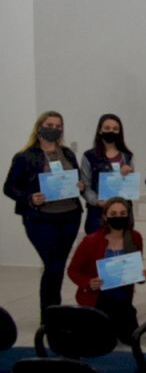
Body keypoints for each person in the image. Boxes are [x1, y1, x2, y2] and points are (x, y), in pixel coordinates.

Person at [4, 111, 84, 317]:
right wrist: (29, 197)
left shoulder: (67, 154)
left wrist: (80, 185)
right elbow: (9, 187)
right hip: (41, 218)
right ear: (40, 127)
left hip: (70, 215)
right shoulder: (25, 156)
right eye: (50, 125)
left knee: (57, 265)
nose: (54, 129)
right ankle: (50, 315)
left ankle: (52, 312)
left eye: (59, 126)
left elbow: (76, 180)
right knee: (53, 265)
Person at [67, 197, 146, 344]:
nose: (118, 217)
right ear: (105, 217)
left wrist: (141, 275)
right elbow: (73, 270)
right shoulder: (91, 241)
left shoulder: (135, 237)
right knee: (100, 342)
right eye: (114, 214)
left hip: (123, 300)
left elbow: (134, 270)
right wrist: (88, 282)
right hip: (97, 299)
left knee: (131, 339)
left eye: (123, 213)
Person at [81, 114, 136, 234]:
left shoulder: (127, 156)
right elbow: (85, 186)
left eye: (115, 129)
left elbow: (130, 187)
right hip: (98, 214)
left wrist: (130, 175)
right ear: (100, 130)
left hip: (123, 214)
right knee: (97, 250)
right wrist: (97, 201)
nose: (111, 131)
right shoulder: (89, 156)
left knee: (124, 248)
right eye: (107, 128)